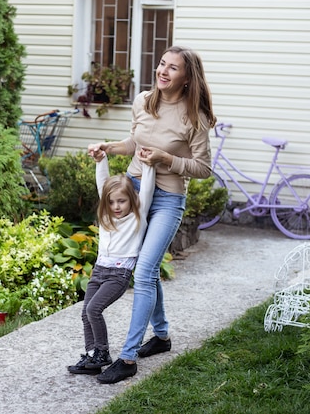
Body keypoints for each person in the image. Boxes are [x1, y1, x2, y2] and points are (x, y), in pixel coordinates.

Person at [88, 46, 217, 384]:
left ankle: (127, 358)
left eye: (173, 68)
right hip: (135, 193)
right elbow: (134, 141)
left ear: (187, 78)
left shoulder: (195, 118)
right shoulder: (144, 101)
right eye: (162, 64)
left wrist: (166, 159)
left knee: (144, 271)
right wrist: (108, 148)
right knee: (146, 270)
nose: (163, 71)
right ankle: (161, 336)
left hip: (168, 200)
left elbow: (203, 168)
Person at [67, 151, 156, 375]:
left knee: (94, 309)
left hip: (118, 275)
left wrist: (148, 166)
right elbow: (102, 185)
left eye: (122, 201)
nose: (116, 206)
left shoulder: (137, 216)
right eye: (112, 201)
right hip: (99, 272)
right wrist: (101, 160)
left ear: (132, 200)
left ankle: (103, 352)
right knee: (86, 311)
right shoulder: (107, 216)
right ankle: (92, 356)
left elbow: (146, 189)